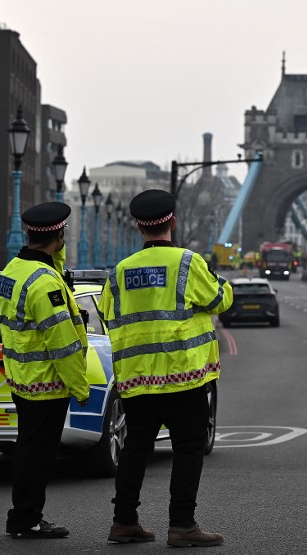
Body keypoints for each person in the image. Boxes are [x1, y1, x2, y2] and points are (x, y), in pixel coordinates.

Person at [100, 189, 232, 548]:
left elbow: (108, 313)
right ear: (172, 222)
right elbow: (221, 299)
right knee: (188, 447)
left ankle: (124, 521)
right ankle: (182, 524)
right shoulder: (188, 263)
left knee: (135, 447)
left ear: (139, 227)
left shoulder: (120, 271)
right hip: (182, 373)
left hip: (136, 376)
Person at [0, 201, 90, 540]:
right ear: (59, 234)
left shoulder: (13, 270)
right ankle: (26, 519)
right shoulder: (45, 284)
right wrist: (80, 387)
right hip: (47, 383)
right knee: (38, 455)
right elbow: (62, 344)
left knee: (27, 448)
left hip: (22, 378)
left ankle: (23, 516)